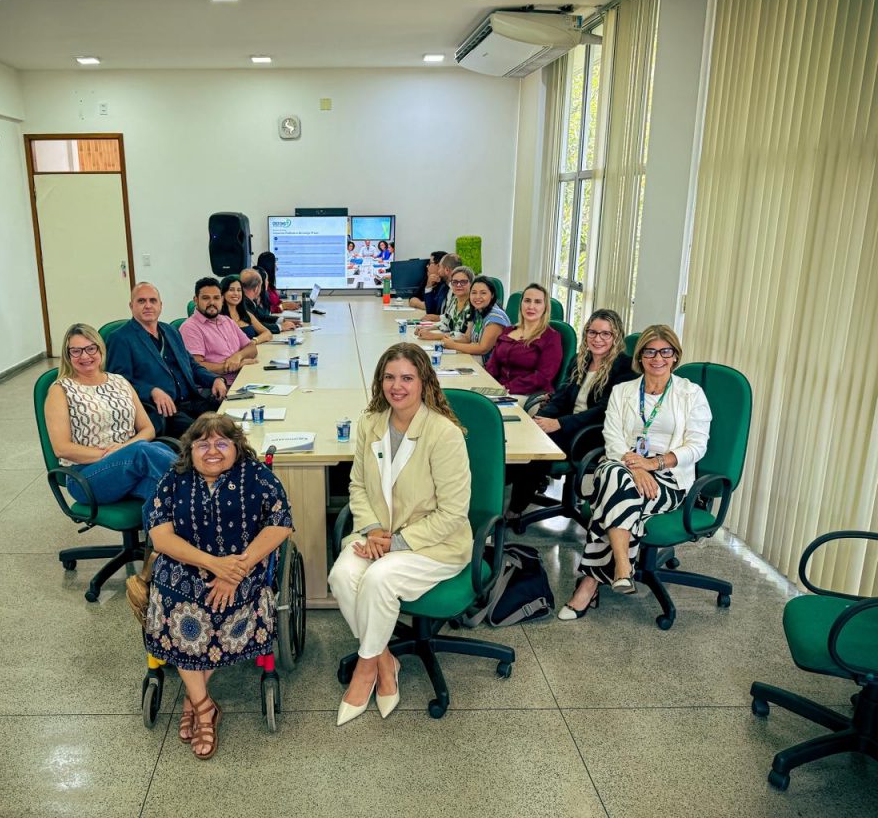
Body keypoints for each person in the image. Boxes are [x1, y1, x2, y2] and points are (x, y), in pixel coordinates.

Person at [328, 343, 471, 725]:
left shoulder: (444, 433)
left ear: (424, 382)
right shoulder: (370, 423)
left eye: (407, 377)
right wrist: (374, 529)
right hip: (377, 534)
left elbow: (453, 513)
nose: (397, 386)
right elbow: (358, 485)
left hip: (433, 544)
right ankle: (384, 659)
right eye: (389, 377)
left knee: (378, 579)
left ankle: (365, 671)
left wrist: (396, 543)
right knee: (341, 576)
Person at [144, 414, 293, 759]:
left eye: (222, 443)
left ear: (237, 447)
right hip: (183, 569)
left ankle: (193, 699)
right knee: (179, 610)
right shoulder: (174, 479)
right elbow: (160, 536)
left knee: (221, 609)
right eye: (203, 444)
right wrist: (214, 565)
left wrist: (234, 571)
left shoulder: (257, 476)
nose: (212, 450)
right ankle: (204, 706)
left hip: (244, 569)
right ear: (190, 450)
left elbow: (280, 524)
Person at [557, 324, 712, 620]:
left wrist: (654, 464)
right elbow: (612, 436)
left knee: (611, 495)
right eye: (650, 352)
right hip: (622, 462)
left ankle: (592, 582)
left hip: (668, 475)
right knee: (617, 478)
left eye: (665, 352)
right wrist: (636, 467)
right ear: (640, 357)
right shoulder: (623, 391)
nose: (657, 358)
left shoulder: (691, 394)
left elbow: (697, 446)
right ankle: (622, 567)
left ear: (675, 356)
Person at [505, 308, 634, 522]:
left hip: (593, 433)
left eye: (605, 334)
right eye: (592, 332)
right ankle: (498, 490)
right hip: (568, 424)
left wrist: (559, 424)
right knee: (523, 435)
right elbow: (561, 397)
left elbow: (604, 411)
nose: (598, 339)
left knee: (540, 447)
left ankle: (515, 509)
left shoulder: (624, 368)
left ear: (616, 336)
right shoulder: (580, 360)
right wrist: (539, 420)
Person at [45, 323, 176, 509]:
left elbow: (148, 429)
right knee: (143, 451)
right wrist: (114, 454)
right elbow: (62, 449)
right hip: (86, 475)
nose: (85, 356)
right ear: (68, 355)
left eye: (91, 348)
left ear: (100, 349)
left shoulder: (119, 381)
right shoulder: (60, 390)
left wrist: (123, 450)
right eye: (76, 351)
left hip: (130, 466)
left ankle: (192, 519)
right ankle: (204, 483)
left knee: (164, 493)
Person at [106, 282, 227, 436]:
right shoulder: (120, 338)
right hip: (164, 412)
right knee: (208, 434)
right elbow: (118, 384)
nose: (148, 306)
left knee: (230, 420)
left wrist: (214, 379)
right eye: (141, 301)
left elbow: (191, 365)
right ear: (131, 306)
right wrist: (151, 391)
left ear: (160, 305)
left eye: (153, 300)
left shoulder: (170, 331)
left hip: (193, 402)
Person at [179, 277, 258, 389]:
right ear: (196, 300)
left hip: (242, 379)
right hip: (218, 387)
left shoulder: (227, 321)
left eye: (216, 298)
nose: (212, 303)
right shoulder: (190, 327)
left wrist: (238, 356)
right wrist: (232, 366)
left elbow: (252, 348)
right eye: (206, 298)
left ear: (222, 299)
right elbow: (196, 367)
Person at [484, 283, 562, 396]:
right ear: (521, 304)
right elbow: (493, 365)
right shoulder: (508, 331)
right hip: (499, 389)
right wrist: (485, 383)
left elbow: (543, 377)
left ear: (545, 307)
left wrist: (506, 388)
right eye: (527, 301)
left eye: (537, 302)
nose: (531, 306)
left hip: (528, 394)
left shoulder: (551, 337)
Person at [440, 275, 511, 363]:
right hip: (477, 359)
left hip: (491, 366)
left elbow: (483, 349)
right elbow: (467, 338)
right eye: (474, 293)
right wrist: (449, 341)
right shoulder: (477, 311)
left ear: (492, 295)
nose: (477, 297)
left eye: (483, 293)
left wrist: (453, 345)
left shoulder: (495, 318)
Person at [415, 266, 474, 341]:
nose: (458, 285)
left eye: (463, 282)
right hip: (450, 344)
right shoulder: (454, 300)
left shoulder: (473, 305)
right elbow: (446, 322)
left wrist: (433, 336)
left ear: (471, 284)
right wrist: (426, 328)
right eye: (455, 282)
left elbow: (464, 336)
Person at [221, 274, 272, 345]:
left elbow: (268, 333)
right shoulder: (218, 317)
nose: (236, 293)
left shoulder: (246, 314)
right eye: (231, 290)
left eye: (239, 290)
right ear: (223, 293)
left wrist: (254, 341)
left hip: (253, 351)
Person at [239, 268, 296, 333]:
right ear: (256, 289)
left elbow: (262, 317)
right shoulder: (244, 304)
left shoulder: (249, 301)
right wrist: (280, 327)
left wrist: (282, 320)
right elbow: (256, 326)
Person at [421, 253, 463, 321]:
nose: (438, 271)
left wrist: (439, 318)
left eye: (440, 267)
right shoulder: (444, 287)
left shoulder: (461, 290)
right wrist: (429, 287)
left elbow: (458, 318)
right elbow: (431, 312)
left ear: (447, 270)